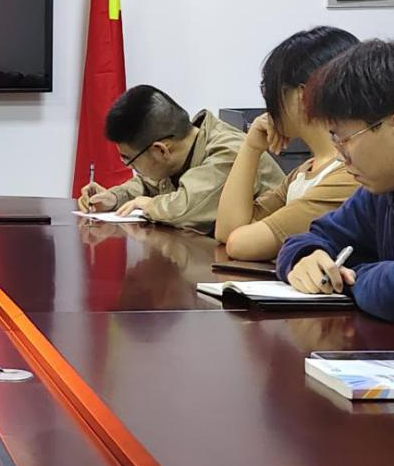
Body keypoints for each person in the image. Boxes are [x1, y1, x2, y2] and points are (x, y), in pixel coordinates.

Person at [215, 27, 359, 260]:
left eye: (271, 91)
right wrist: (251, 147)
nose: (269, 104)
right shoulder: (303, 172)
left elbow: (240, 244)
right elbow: (227, 229)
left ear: (302, 96)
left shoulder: (348, 175)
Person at [277, 40, 394, 320]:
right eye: (334, 139)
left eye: (344, 138)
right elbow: (314, 237)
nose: (341, 156)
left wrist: (352, 276)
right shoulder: (377, 192)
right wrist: (306, 257)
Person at [78, 84, 284, 234]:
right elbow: (149, 183)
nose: (130, 167)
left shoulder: (228, 151)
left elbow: (186, 208)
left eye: (129, 160)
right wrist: (114, 198)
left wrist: (149, 206)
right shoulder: (182, 148)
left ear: (160, 150)